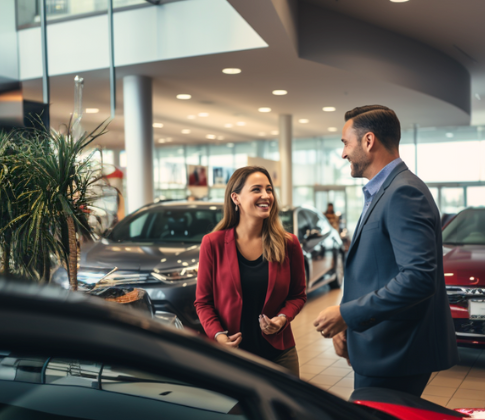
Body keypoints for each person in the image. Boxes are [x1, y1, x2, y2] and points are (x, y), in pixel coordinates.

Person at [313, 105, 458, 397]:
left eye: (345, 143)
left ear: (368, 141)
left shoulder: (404, 192)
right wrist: (349, 325)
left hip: (397, 350)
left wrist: (347, 314)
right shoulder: (384, 191)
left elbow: (418, 278)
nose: (343, 154)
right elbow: (375, 270)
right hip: (380, 342)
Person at [195, 166, 307, 375]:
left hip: (279, 354)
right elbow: (203, 302)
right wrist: (218, 335)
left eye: (269, 189)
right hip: (232, 355)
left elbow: (298, 296)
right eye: (257, 189)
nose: (266, 195)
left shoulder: (288, 243)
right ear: (235, 197)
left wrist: (282, 318)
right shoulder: (213, 243)